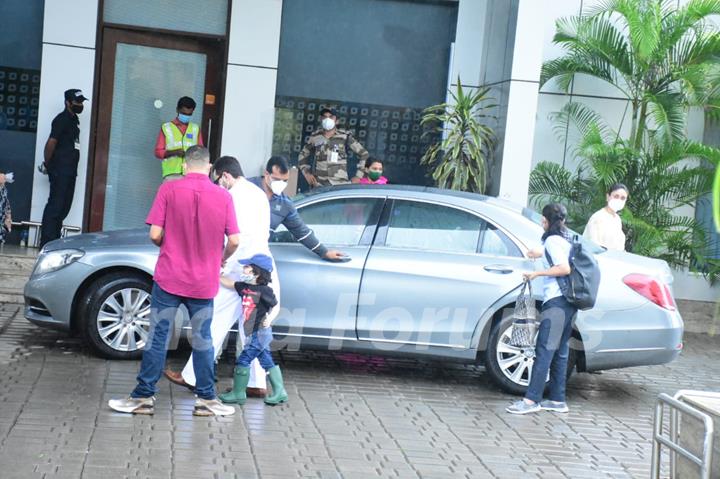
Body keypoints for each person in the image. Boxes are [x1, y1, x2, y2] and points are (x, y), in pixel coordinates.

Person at [108, 146, 240, 417]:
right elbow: (235, 240)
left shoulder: (168, 190)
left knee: (158, 337)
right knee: (203, 338)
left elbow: (155, 235)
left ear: (184, 166)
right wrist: (220, 258)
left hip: (169, 277)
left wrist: (169, 244)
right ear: (210, 167)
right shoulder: (223, 196)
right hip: (204, 281)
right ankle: (206, 400)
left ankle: (143, 397)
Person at [164, 156, 276, 398]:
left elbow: (228, 235)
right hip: (261, 268)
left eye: (218, 180)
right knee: (252, 326)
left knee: (214, 321)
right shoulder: (258, 194)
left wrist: (219, 261)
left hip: (237, 266)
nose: (217, 185)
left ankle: (193, 376)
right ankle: (256, 382)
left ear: (225, 175)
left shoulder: (231, 196)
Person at [506, 203, 577, 415]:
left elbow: (564, 268)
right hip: (569, 303)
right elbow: (554, 255)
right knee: (560, 351)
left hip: (557, 302)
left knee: (544, 350)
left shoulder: (554, 240)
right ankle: (557, 399)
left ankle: (531, 400)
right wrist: (539, 253)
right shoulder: (564, 239)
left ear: (544, 221)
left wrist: (537, 274)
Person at [218, 254, 288, 406]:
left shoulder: (265, 290)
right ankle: (280, 392)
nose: (243, 270)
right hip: (252, 332)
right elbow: (230, 283)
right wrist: (218, 275)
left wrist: (269, 319)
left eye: (247, 267)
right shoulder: (245, 287)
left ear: (257, 272)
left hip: (261, 332)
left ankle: (238, 393)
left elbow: (275, 305)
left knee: (244, 359)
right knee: (266, 360)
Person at [250, 155, 347, 262]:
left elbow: (301, 231)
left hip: (257, 256)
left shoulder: (284, 204)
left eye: (285, 181)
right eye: (277, 179)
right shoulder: (245, 188)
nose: (281, 184)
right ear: (266, 174)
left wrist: (324, 252)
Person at [39, 89, 87, 248]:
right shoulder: (61, 120)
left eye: (81, 102)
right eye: (77, 102)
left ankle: (54, 241)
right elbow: (51, 143)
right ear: (68, 102)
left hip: (70, 171)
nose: (80, 105)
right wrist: (48, 164)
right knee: (55, 207)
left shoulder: (74, 120)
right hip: (60, 170)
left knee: (64, 207)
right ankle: (46, 243)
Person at [297, 107, 369, 188]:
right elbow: (302, 154)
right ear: (321, 120)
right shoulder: (315, 137)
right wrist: (306, 174)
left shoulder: (345, 136)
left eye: (331, 117)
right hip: (319, 184)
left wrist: (358, 176)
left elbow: (364, 154)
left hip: (340, 185)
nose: (327, 119)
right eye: (324, 117)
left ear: (337, 121)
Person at [154, 96, 204, 181]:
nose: (186, 116)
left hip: (191, 174)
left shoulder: (195, 129)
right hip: (172, 174)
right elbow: (158, 152)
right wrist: (174, 152)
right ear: (177, 110)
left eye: (189, 114)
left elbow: (201, 151)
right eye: (184, 113)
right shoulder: (166, 128)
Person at [583, 183, 628, 251]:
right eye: (616, 196)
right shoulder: (598, 217)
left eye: (623, 198)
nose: (619, 200)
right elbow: (592, 245)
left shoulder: (617, 219)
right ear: (608, 197)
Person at [0, 172, 12, 243]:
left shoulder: (4, 190)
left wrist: (9, 218)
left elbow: (7, 204)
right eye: (3, 178)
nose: (5, 179)